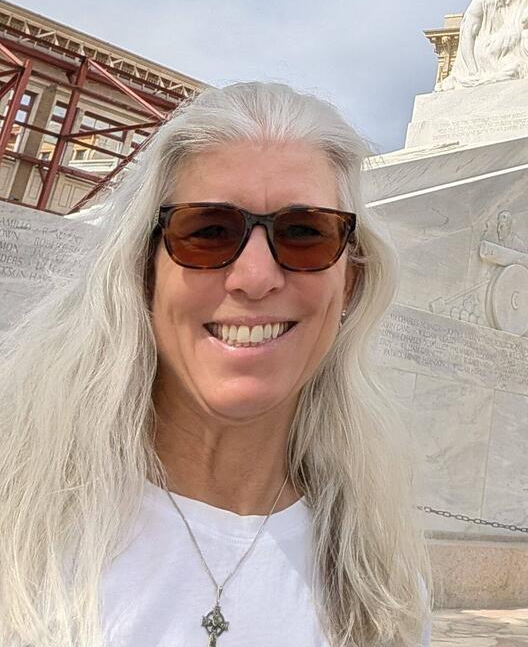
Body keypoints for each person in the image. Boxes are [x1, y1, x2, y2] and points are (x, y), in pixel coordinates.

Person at [0, 81, 431, 647]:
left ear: (351, 282)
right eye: (207, 232)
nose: (254, 277)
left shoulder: (386, 591)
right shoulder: (22, 530)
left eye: (305, 234)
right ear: (143, 270)